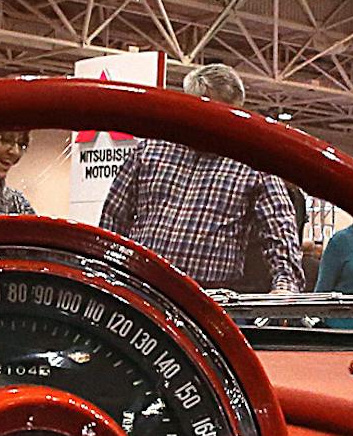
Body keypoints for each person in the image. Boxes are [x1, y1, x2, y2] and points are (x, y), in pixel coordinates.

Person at [100, 64, 301, 292]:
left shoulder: (254, 164)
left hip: (206, 297)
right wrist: (106, 273)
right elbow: (113, 219)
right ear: (190, 105)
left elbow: (281, 230)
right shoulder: (149, 150)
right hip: (142, 288)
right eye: (212, 112)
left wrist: (285, 285)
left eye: (230, 114)